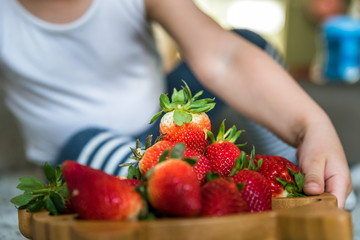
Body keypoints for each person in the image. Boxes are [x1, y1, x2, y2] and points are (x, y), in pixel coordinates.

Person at [0, 0, 352, 208]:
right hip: (84, 154)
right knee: (81, 148)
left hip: (164, 125)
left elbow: (224, 58)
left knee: (248, 45)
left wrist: (311, 125)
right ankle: (184, 195)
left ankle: (301, 179)